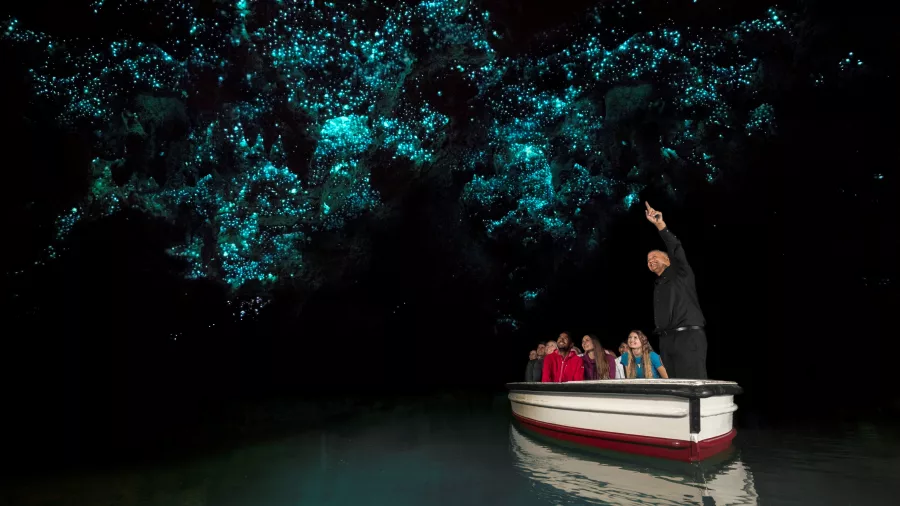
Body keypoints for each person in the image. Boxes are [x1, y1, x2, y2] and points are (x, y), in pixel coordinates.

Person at [644, 201, 708, 379]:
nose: (650, 260)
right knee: (675, 387)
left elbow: (675, 248)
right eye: (648, 260)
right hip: (666, 341)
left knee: (692, 385)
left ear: (668, 260)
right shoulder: (658, 285)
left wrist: (660, 225)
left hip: (687, 337)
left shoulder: (681, 272)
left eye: (654, 256)